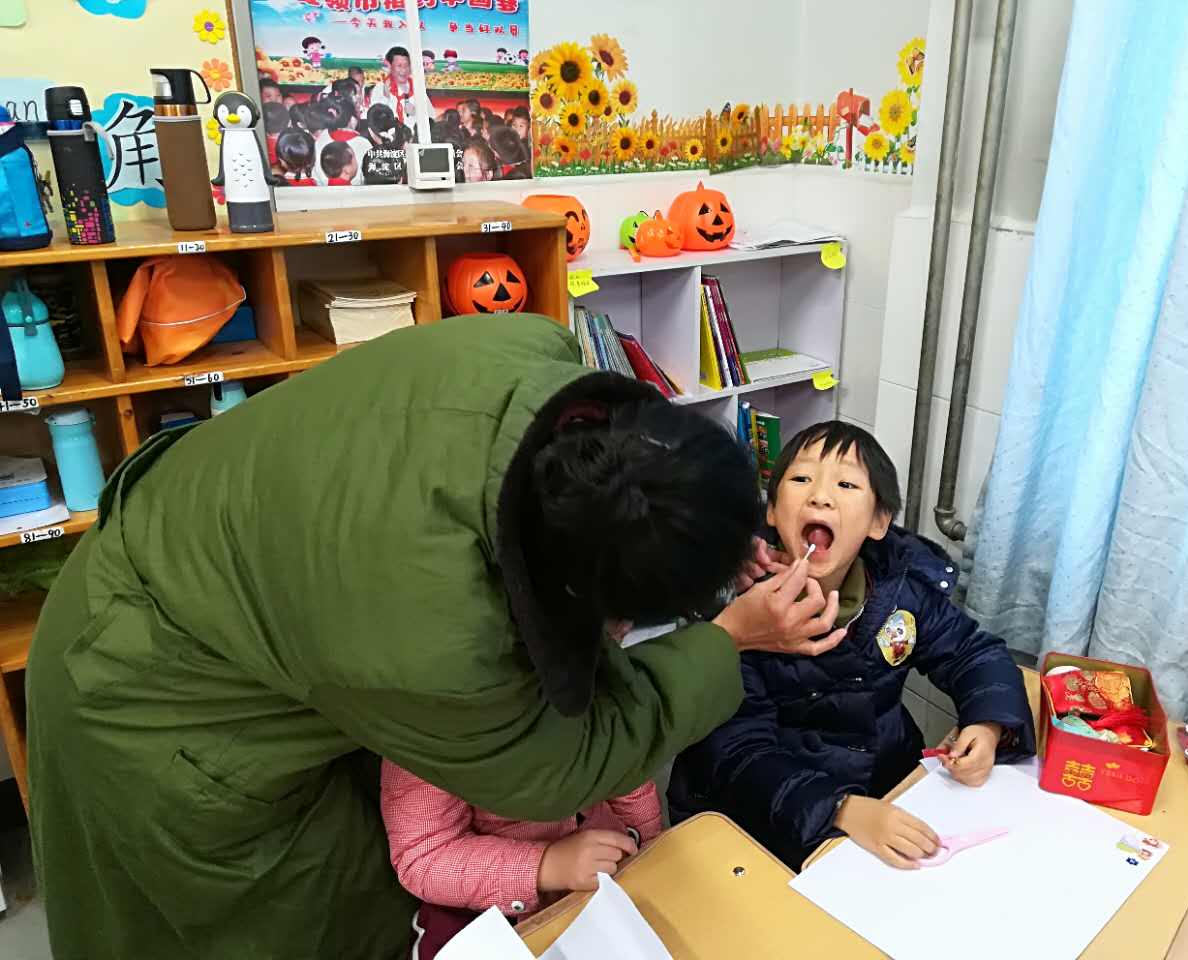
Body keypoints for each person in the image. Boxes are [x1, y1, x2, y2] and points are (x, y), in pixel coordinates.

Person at [28, 314, 850, 958]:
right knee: (304, 922)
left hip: (214, 561)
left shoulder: (537, 358)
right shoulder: (443, 647)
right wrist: (729, 638)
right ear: (598, 605)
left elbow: (622, 502)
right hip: (151, 700)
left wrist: (705, 531)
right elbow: (567, 760)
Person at [668, 421, 1036, 871]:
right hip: (761, 821)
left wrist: (989, 724)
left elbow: (972, 653)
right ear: (772, 512)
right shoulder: (742, 613)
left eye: (845, 484)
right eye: (802, 478)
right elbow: (738, 754)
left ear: (879, 522)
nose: (820, 497)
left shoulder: (901, 592)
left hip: (884, 788)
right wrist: (840, 809)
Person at [382, 630, 661, 957]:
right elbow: (424, 854)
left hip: (602, 863)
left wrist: (650, 842)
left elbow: (625, 766)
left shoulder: (587, 665)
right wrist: (546, 865)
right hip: (482, 901)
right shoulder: (428, 721)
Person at [371, 44, 432, 126]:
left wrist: (416, 112)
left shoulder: (417, 88)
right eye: (399, 66)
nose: (403, 70)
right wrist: (386, 98)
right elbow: (374, 120)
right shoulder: (379, 88)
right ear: (389, 66)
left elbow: (432, 117)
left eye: (406, 65)